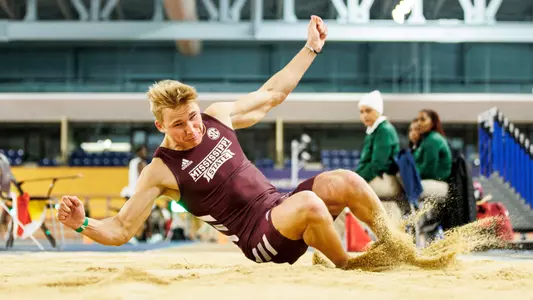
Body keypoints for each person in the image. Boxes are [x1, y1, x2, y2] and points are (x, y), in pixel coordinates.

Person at [57, 16, 413, 269]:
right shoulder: (160, 171)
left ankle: (396, 246)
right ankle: (350, 268)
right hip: (260, 240)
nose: (192, 129)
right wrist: (82, 223)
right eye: (178, 124)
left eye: (192, 117)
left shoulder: (216, 117)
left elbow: (273, 93)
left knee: (346, 180)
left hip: (281, 206)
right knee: (309, 202)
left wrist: (311, 48)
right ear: (160, 124)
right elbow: (121, 229)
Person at [355, 90, 401, 199]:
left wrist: (357, 178)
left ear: (378, 111)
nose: (364, 115)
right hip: (375, 175)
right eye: (361, 112)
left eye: (368, 111)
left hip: (385, 177)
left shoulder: (384, 130)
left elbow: (378, 165)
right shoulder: (373, 130)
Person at [414, 109, 452, 199]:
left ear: (432, 123)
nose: (418, 123)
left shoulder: (433, 139)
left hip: (437, 179)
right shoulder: (426, 139)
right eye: (417, 120)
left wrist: (412, 172)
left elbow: (428, 170)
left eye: (423, 120)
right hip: (431, 178)